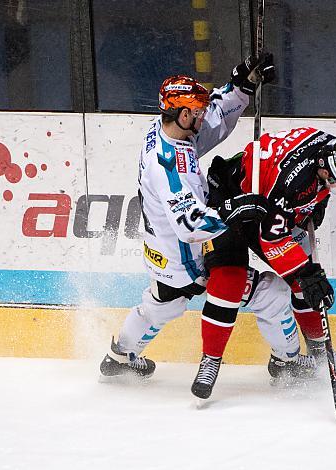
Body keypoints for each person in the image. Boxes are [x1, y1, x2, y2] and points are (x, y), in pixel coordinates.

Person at [99, 55, 317, 386]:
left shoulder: (166, 130)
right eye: (196, 112)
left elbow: (212, 121)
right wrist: (235, 208)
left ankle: (119, 357)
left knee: (163, 304)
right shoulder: (170, 169)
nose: (202, 116)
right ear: (183, 115)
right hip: (187, 260)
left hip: (160, 252)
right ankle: (286, 364)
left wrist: (240, 86)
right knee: (271, 294)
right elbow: (190, 225)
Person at [192, 127, 336, 399]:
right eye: (334, 182)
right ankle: (210, 360)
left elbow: (288, 208)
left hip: (268, 204)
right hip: (229, 202)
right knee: (229, 280)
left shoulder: (325, 148)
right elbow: (271, 239)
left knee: (307, 285)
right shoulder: (293, 181)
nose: (335, 187)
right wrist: (305, 271)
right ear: (323, 167)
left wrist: (313, 206)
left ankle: (319, 352)